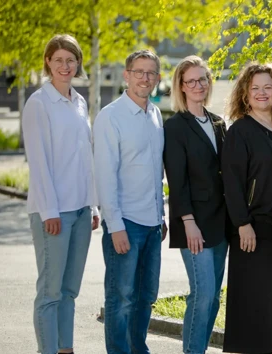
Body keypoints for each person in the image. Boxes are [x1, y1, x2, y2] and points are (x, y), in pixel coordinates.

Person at [22, 34, 99, 354]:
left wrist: (93, 205)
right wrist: (49, 211)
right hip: (53, 212)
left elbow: (86, 160)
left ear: (78, 63)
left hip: (81, 210)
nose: (65, 66)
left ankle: (65, 349)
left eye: (71, 60)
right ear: (48, 64)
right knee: (50, 292)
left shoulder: (79, 102)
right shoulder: (39, 103)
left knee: (69, 291)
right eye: (59, 60)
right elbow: (38, 162)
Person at [221, 63, 272, 353]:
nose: (261, 93)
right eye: (255, 88)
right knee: (255, 305)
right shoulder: (240, 131)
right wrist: (242, 223)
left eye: (268, 87)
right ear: (245, 93)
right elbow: (232, 182)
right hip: (253, 229)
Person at [93, 49, 167, 354]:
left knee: (146, 294)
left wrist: (161, 216)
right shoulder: (111, 116)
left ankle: (139, 349)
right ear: (127, 75)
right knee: (120, 297)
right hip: (125, 224)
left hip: (152, 224)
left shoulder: (156, 114)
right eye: (139, 71)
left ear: (158, 79)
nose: (145, 78)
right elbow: (105, 176)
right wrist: (116, 225)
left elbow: (155, 171)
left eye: (151, 73)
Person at [163, 55, 229, 354]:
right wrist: (188, 221)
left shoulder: (218, 122)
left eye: (203, 79)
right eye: (191, 81)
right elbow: (177, 180)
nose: (198, 85)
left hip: (220, 220)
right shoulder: (175, 127)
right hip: (194, 223)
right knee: (201, 294)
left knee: (214, 296)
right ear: (181, 86)